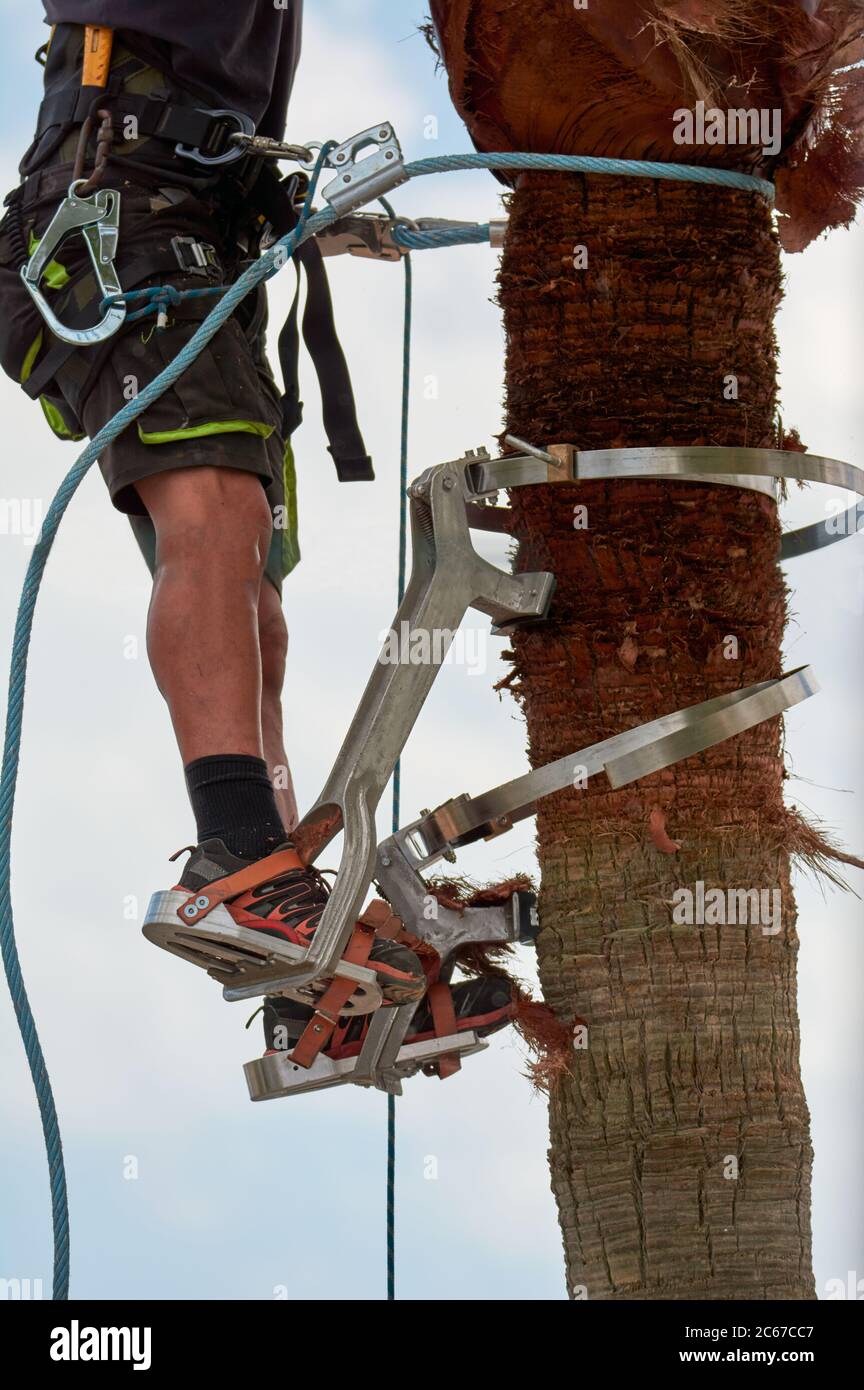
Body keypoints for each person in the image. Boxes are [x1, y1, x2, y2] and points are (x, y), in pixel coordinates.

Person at [0, 4, 516, 1060]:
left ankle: (295, 948)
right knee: (216, 518)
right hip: (121, 214)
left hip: (197, 229)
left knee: (256, 605)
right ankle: (235, 857)